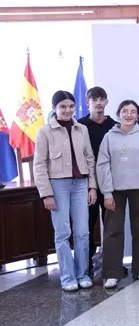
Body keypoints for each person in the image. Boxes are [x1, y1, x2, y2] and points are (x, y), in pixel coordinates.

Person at [34, 91, 98, 292]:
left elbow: (90, 159)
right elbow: (39, 165)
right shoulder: (45, 132)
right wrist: (46, 194)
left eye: (71, 106)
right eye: (63, 106)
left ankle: (82, 274)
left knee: (83, 232)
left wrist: (92, 186)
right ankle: (68, 277)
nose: (67, 110)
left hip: (80, 185)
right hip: (57, 186)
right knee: (63, 233)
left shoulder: (82, 129)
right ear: (54, 108)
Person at [97, 100, 139, 289]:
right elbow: (102, 165)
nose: (129, 115)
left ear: (138, 116)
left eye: (133, 111)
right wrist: (106, 193)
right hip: (115, 190)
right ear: (118, 114)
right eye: (125, 111)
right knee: (113, 231)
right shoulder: (109, 137)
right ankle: (112, 272)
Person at [78, 86, 117, 277]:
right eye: (95, 99)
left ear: (107, 102)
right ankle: (86, 266)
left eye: (102, 99)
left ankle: (111, 264)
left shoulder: (115, 126)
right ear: (87, 102)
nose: (99, 103)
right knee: (87, 224)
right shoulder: (80, 126)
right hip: (87, 184)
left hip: (111, 183)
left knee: (111, 225)